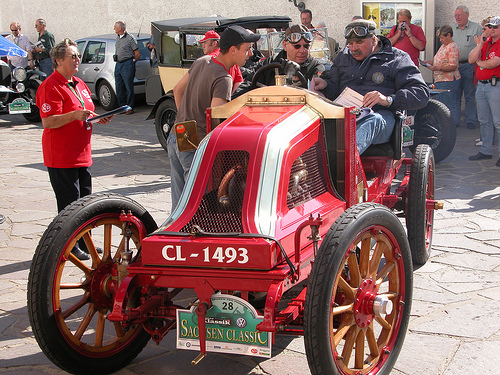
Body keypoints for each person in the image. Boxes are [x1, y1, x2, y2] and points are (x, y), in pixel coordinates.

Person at [36, 38, 113, 260]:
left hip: (82, 154)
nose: (78, 59)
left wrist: (99, 119)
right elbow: (48, 121)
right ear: (58, 60)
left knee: (85, 204)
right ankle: (70, 245)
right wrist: (73, 116)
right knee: (69, 206)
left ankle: (85, 242)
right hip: (62, 156)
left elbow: (86, 112)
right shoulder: (50, 86)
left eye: (78, 55)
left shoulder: (78, 82)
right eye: (73, 56)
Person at [168, 26, 260, 210]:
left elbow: (177, 90)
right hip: (195, 144)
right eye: (246, 49)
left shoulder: (202, 61)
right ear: (233, 50)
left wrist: (185, 119)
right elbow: (215, 117)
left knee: (179, 202)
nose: (249, 54)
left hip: (177, 134)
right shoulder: (223, 78)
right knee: (196, 205)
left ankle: (175, 236)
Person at [311, 19, 429, 154]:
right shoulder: (343, 56)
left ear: (374, 40)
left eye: (359, 42)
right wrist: (325, 84)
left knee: (373, 121)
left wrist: (387, 99)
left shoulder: (397, 58)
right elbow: (334, 89)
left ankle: (345, 162)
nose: (354, 48)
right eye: (350, 44)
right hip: (345, 116)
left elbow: (421, 93)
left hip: (382, 117)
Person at [248, 24, 325, 88]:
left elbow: (317, 95)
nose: (302, 51)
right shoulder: (269, 64)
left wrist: (297, 79)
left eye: (306, 46)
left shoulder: (315, 67)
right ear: (285, 45)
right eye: (297, 46)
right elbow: (248, 84)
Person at [468, 16, 500, 165]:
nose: (492, 29)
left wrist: (480, 63)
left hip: (495, 86)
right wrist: (480, 43)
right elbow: (471, 59)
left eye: (495, 27)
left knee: (498, 122)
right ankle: (486, 150)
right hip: (482, 85)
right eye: (490, 27)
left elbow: (494, 63)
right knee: (484, 120)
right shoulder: (486, 43)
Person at [423, 25, 461, 127]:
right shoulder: (444, 46)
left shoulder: (452, 46)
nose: (441, 40)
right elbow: (441, 61)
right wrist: (430, 63)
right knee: (442, 103)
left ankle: (451, 126)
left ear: (449, 35)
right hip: (440, 80)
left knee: (448, 104)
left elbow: (453, 66)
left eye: (442, 37)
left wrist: (437, 68)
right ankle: (446, 126)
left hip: (448, 80)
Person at [454, 5, 483, 129]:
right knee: (455, 94)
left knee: (470, 95)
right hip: (455, 66)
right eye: (455, 15)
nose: (457, 18)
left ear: (467, 14)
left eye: (459, 15)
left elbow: (482, 46)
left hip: (469, 65)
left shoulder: (476, 28)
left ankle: (471, 120)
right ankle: (454, 120)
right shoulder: (452, 28)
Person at [114, 21, 140, 114]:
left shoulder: (129, 38)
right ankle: (122, 106)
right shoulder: (117, 38)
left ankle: (129, 107)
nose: (114, 28)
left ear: (120, 28)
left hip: (127, 64)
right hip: (118, 64)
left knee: (128, 87)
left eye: (115, 27)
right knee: (119, 86)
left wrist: (132, 63)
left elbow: (137, 53)